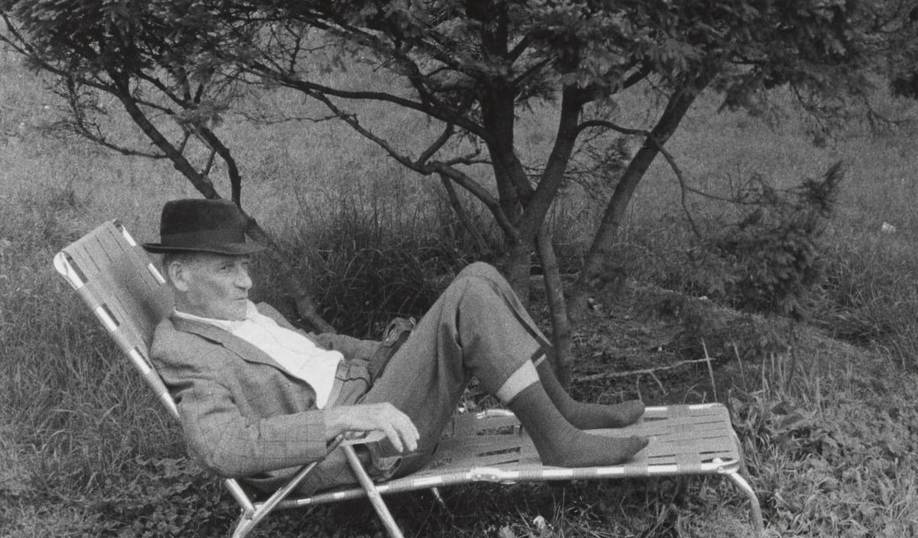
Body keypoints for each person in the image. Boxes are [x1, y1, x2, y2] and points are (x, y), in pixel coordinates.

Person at [146, 199, 648, 493]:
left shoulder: (248, 314)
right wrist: (341, 420)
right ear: (182, 275)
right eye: (228, 268)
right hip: (361, 445)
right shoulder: (185, 351)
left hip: (371, 396)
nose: (246, 282)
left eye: (245, 266)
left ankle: (564, 412)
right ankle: (557, 442)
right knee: (470, 293)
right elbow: (221, 447)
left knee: (479, 276)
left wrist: (385, 352)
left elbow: (317, 346)